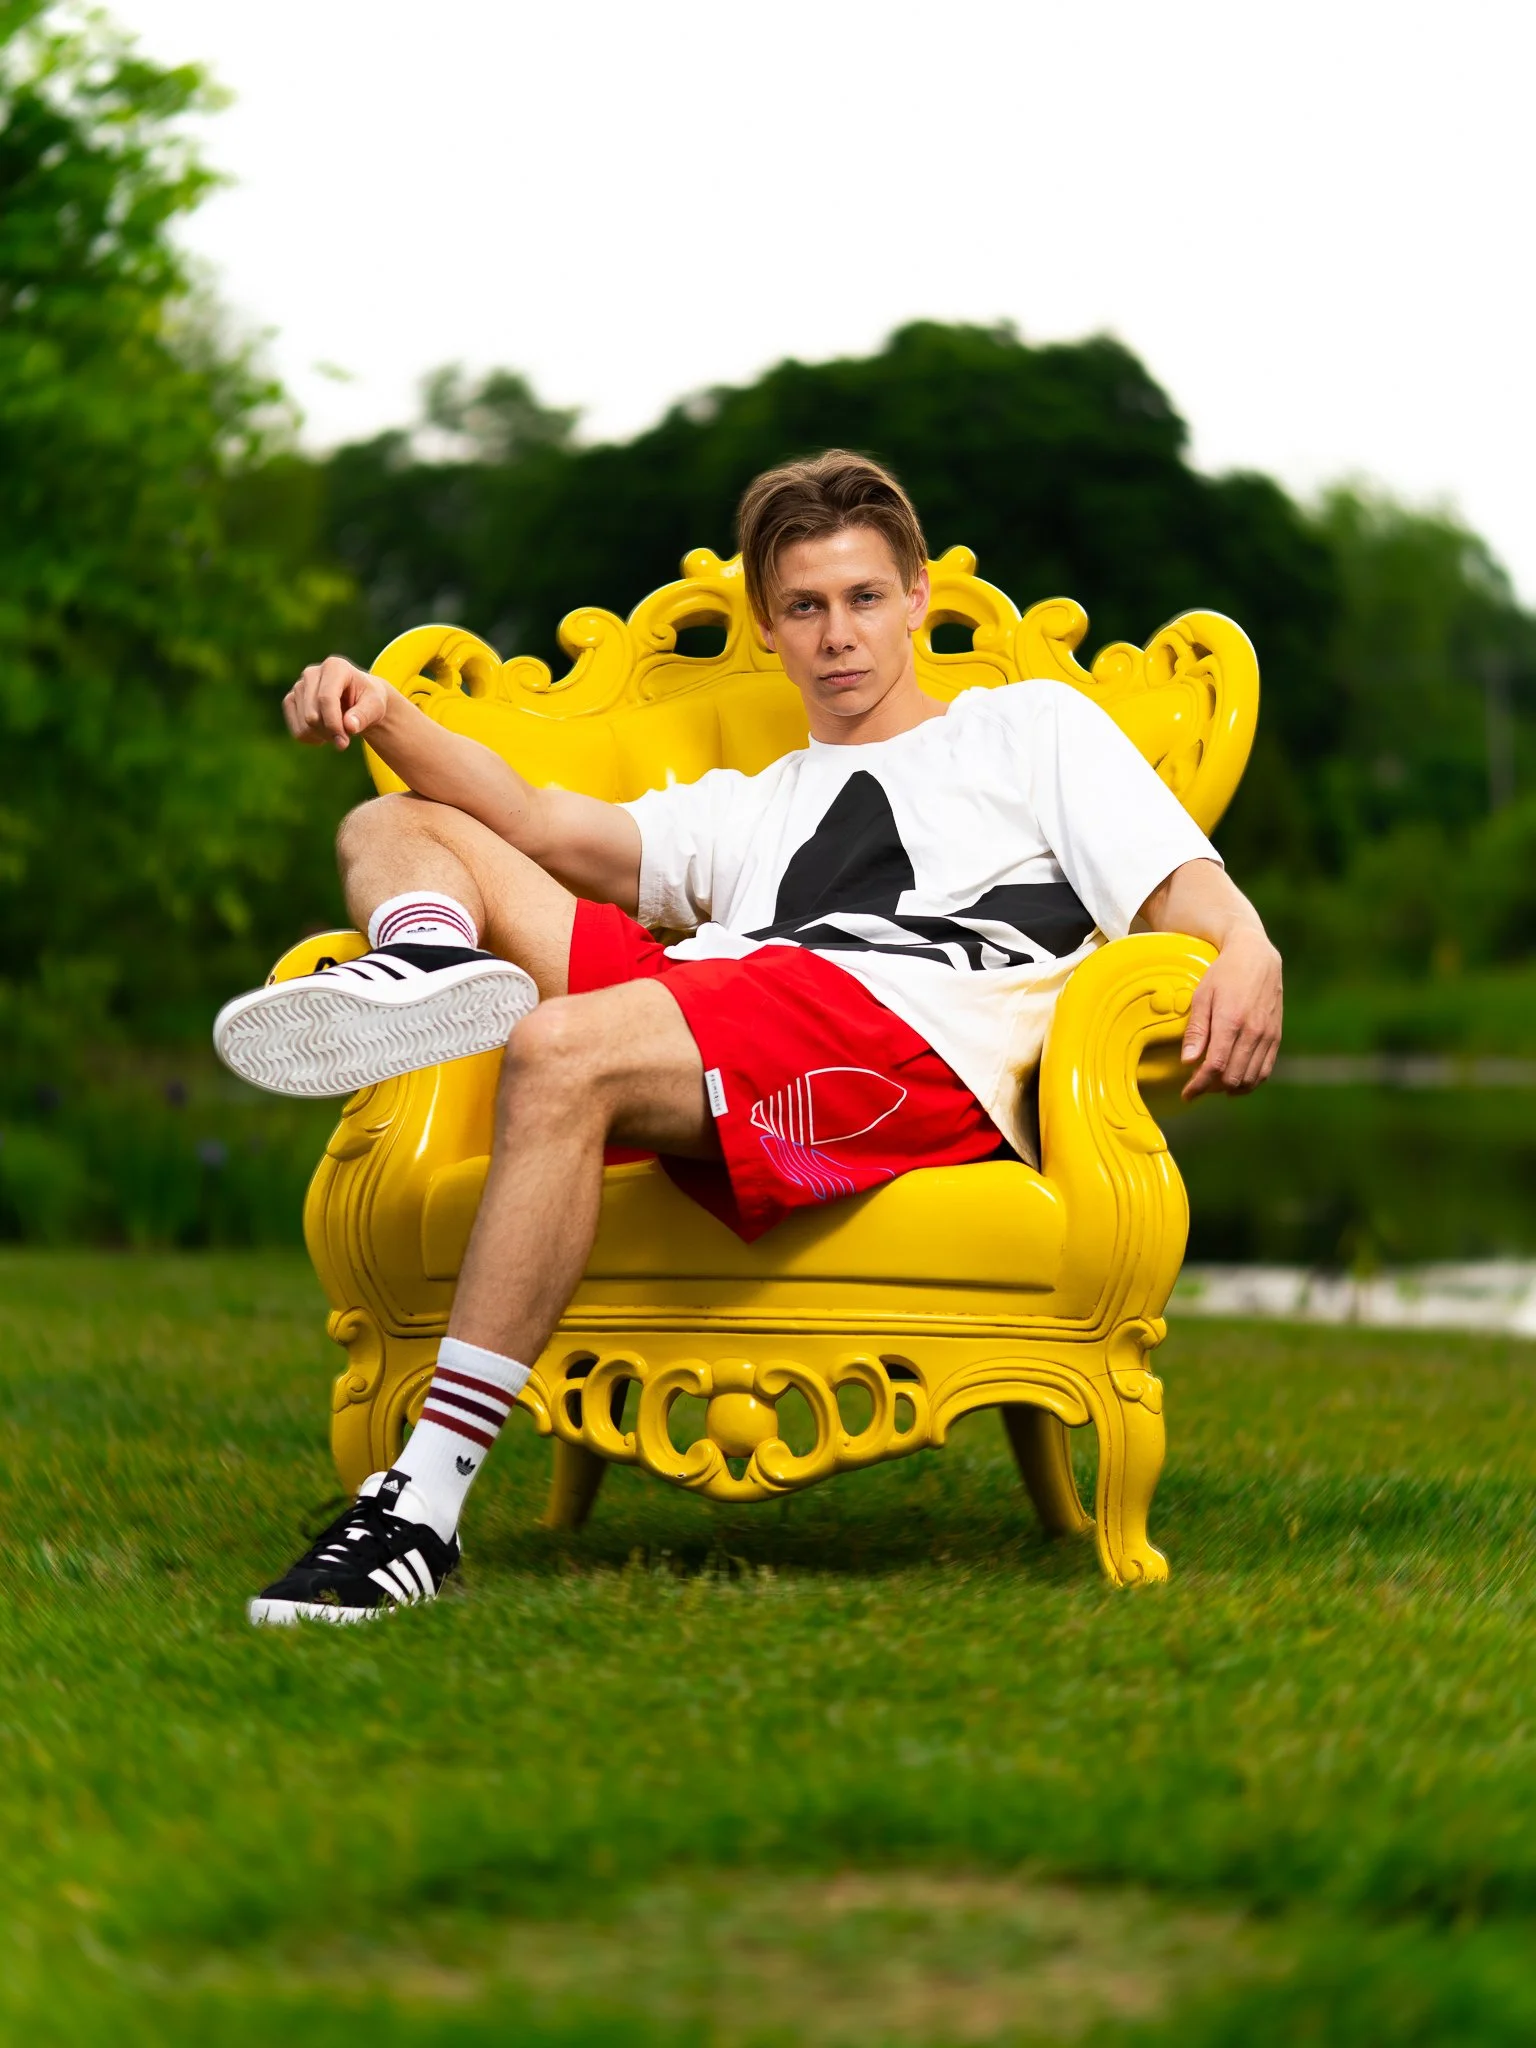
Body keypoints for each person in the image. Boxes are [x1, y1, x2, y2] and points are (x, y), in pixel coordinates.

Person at [217, 450, 1283, 1625]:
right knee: (397, 816)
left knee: (561, 1047)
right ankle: (428, 955)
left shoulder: (1030, 728)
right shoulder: (755, 798)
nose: (838, 635)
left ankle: (417, 1507)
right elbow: (531, 820)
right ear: (771, 629)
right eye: (805, 607)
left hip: (905, 1037)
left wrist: (1250, 946)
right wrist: (389, 712)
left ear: (918, 596)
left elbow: (1173, 879)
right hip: (729, 1001)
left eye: (865, 598)